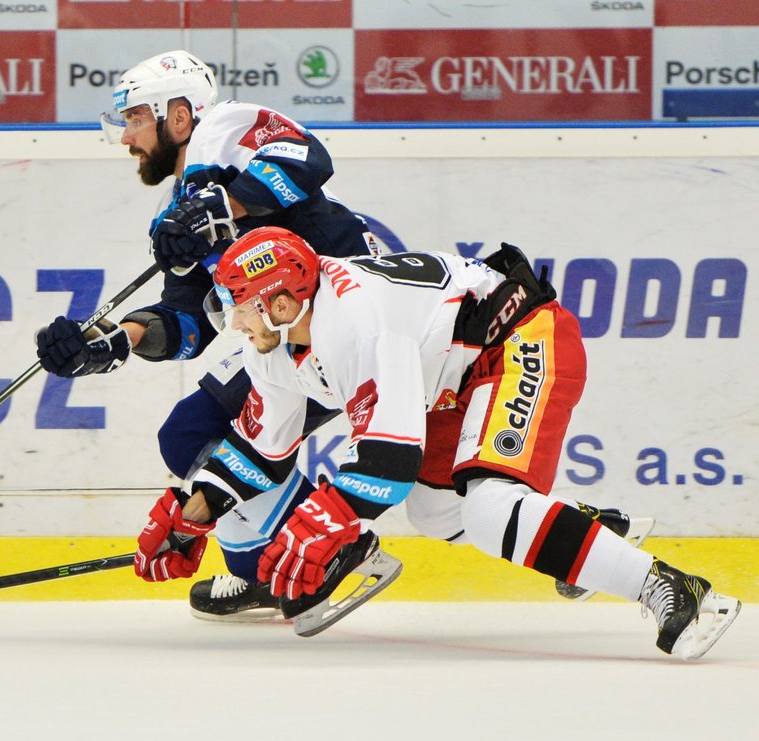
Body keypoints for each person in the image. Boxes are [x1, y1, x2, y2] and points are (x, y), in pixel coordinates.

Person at [35, 49, 648, 620]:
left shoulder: (223, 129)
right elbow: (189, 321)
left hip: (353, 316)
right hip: (288, 336)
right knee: (200, 436)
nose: (127, 136)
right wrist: (110, 343)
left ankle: (334, 545)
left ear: (178, 112)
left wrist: (229, 205)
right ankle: (273, 564)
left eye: (135, 117)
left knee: (409, 470)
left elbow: (307, 158)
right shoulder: (177, 217)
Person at [131, 226, 740, 657]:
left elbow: (391, 461)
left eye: (242, 306)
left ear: (285, 301)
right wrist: (193, 517)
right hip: (454, 378)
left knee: (490, 505)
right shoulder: (276, 342)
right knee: (435, 510)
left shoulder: (354, 320)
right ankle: (573, 529)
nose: (233, 321)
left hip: (520, 338)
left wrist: (328, 519)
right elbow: (260, 449)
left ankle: (676, 590)